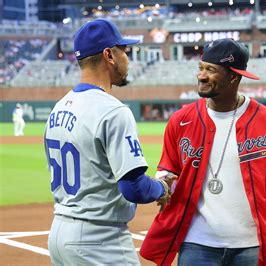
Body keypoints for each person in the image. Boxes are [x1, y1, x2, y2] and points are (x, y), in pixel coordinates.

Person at [140, 38, 266, 265]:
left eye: (210, 70)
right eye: (200, 68)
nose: (201, 76)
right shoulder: (180, 121)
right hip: (197, 244)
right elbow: (167, 170)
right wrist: (164, 183)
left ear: (234, 76)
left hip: (252, 246)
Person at [44, 19, 174, 265]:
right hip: (100, 240)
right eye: (123, 50)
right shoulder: (113, 111)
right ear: (109, 55)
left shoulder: (59, 107)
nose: (127, 57)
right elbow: (133, 187)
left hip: (59, 232)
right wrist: (162, 188)